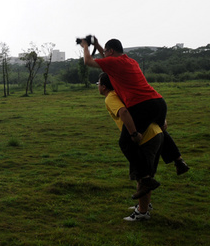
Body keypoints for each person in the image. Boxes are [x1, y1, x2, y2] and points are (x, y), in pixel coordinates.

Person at [81, 38, 189, 187]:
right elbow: (107, 59)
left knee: (125, 142)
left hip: (142, 105)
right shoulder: (130, 61)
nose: (104, 55)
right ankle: (179, 161)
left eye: (106, 51)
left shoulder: (114, 63)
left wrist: (85, 46)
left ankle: (144, 178)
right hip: (159, 102)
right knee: (161, 132)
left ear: (111, 51)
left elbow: (87, 61)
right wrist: (98, 45)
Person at [98, 73, 162, 221]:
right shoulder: (123, 92)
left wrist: (134, 134)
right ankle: (143, 205)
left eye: (99, 83)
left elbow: (124, 112)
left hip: (146, 137)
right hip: (155, 133)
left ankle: (142, 213)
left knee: (143, 175)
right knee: (146, 174)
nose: (98, 86)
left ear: (104, 86)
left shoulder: (111, 97)